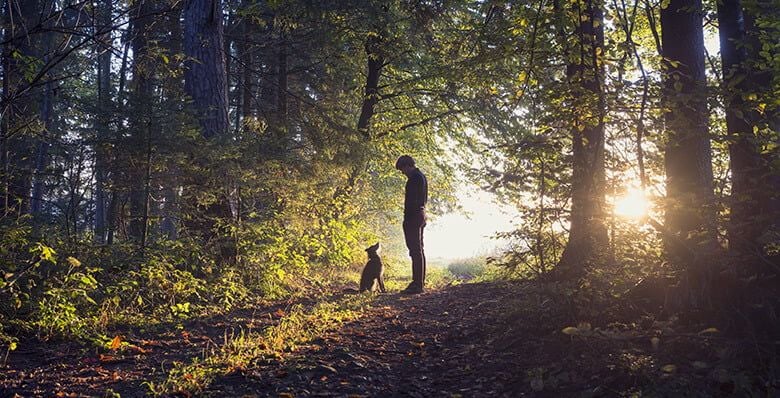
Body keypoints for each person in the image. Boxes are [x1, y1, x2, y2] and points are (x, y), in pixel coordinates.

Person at [395, 155, 427, 294]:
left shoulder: (414, 178)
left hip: (413, 216)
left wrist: (407, 219)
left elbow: (411, 201)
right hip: (420, 214)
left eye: (402, 169)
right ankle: (419, 282)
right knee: (418, 250)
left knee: (415, 250)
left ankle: (417, 284)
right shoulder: (421, 176)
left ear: (408, 165)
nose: (403, 172)